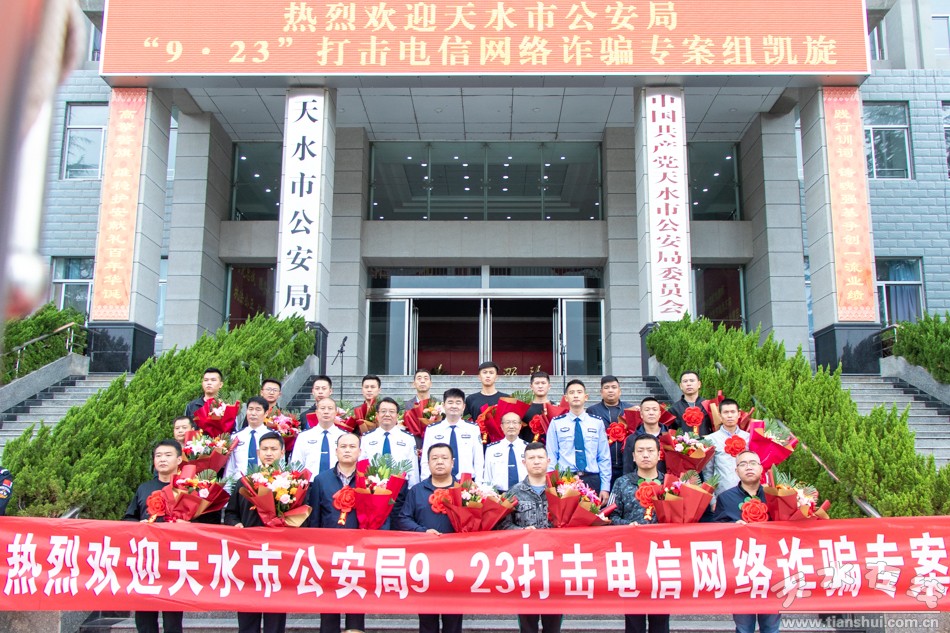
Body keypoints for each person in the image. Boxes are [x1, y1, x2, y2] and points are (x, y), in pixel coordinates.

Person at [223, 431, 288, 633]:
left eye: (274, 449)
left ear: (282, 452)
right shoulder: (245, 482)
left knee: (275, 613)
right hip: (248, 555)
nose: (269, 453)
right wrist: (235, 524)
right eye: (265, 449)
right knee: (247, 612)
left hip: (278, 556)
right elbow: (231, 513)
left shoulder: (292, 483)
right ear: (258, 452)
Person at [712, 450, 781, 633]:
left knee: (771, 627)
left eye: (752, 463)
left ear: (761, 468)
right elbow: (715, 531)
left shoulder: (776, 495)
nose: (748, 467)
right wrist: (733, 527)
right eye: (743, 464)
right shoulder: (725, 498)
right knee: (744, 627)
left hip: (771, 568)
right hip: (741, 569)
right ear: (736, 471)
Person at [395, 443, 460, 633]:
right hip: (424, 565)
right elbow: (403, 519)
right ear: (428, 463)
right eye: (434, 458)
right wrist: (422, 532)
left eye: (444, 458)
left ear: (452, 462)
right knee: (427, 621)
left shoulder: (465, 491)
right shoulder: (416, 491)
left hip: (456, 565)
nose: (439, 462)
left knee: (453, 621)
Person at [498, 442, 562, 633]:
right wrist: (522, 532)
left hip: (555, 566)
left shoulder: (561, 490)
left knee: (553, 625)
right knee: (527, 625)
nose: (536, 462)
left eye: (540, 458)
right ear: (524, 462)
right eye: (531, 458)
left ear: (548, 461)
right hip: (525, 566)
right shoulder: (514, 492)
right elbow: (502, 525)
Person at [308, 432, 367, 633]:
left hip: (358, 552)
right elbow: (314, 517)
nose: (347, 450)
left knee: (356, 606)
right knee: (329, 606)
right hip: (328, 552)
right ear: (336, 451)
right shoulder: (321, 480)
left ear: (359, 451)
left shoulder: (368, 480)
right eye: (343, 446)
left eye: (352, 446)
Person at [123, 439, 184, 633]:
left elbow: (205, 522)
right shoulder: (144, 488)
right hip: (147, 559)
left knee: (173, 619)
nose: (162, 459)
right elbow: (129, 518)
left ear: (179, 459)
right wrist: (138, 526)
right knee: (144, 617)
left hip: (175, 558)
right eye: (158, 456)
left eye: (168, 455)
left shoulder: (188, 488)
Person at [610, 434, 668, 633]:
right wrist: (628, 525)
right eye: (640, 451)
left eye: (650, 451)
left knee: (661, 619)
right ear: (633, 456)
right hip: (632, 558)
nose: (645, 455)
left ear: (659, 455)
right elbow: (608, 516)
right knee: (634, 620)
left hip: (662, 558)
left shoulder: (670, 484)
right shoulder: (621, 483)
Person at [545, 379, 611, 501]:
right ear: (566, 398)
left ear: (586, 397)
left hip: (592, 478)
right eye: (572, 392)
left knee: (592, 513)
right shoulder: (556, 423)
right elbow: (552, 455)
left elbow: (604, 456)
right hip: (566, 479)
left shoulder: (597, 422)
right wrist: (552, 484)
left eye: (579, 392)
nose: (575, 395)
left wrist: (605, 487)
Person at [420, 388, 483, 481]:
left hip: (467, 482)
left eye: (458, 403)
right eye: (450, 402)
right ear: (443, 405)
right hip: (439, 481)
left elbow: (478, 459)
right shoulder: (432, 429)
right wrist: (425, 482)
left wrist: (478, 483)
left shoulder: (472, 429)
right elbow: (425, 459)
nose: (454, 406)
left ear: (464, 406)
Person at [360, 397, 420, 486]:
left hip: (401, 487)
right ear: (377, 415)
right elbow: (362, 466)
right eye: (383, 411)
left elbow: (413, 468)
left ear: (397, 415)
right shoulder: (367, 438)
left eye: (391, 411)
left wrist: (413, 489)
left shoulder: (408, 438)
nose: (387, 414)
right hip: (373, 487)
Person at [586, 375, 632, 485]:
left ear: (619, 391)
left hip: (626, 464)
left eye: (614, 387)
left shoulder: (630, 410)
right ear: (601, 392)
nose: (610, 390)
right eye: (606, 388)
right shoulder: (592, 411)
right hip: (601, 465)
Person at [702, 398, 750, 503]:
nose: (729, 416)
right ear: (720, 416)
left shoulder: (748, 438)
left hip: (747, 495)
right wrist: (712, 500)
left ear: (739, 414)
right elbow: (708, 472)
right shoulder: (711, 439)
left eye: (733, 412)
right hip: (722, 495)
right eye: (726, 412)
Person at [292, 397, 345, 479]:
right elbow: (296, 463)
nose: (326, 412)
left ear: (336, 412)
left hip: (337, 482)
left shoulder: (344, 436)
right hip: (310, 483)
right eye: (322, 408)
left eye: (330, 408)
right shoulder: (304, 436)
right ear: (316, 412)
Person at [223, 396, 270, 486]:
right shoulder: (236, 437)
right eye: (250, 409)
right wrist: (227, 489)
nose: (253, 413)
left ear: (266, 413)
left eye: (258, 410)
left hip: (264, 484)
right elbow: (230, 467)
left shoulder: (273, 436)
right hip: (238, 485)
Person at [622, 398, 668, 476]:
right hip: (639, 481)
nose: (651, 413)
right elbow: (628, 467)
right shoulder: (632, 439)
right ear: (641, 414)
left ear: (660, 414)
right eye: (647, 410)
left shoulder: (671, 437)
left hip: (665, 481)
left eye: (654, 410)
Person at [483, 412, 527, 492]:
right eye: (507, 422)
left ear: (520, 426)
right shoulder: (492, 449)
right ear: (502, 426)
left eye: (515, 422)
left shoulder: (528, 448)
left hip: (524, 493)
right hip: (499, 494)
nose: (511, 426)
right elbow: (487, 477)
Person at [668, 370, 714, 436]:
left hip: (707, 441)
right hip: (683, 442)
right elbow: (670, 432)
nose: (688, 384)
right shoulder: (674, 409)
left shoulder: (708, 405)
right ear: (681, 386)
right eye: (685, 381)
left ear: (699, 384)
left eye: (692, 381)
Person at [519, 371, 554, 443]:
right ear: (531, 387)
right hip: (528, 447)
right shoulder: (523, 409)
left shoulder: (555, 408)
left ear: (549, 386)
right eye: (537, 383)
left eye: (543, 383)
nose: (540, 386)